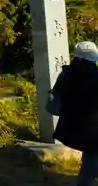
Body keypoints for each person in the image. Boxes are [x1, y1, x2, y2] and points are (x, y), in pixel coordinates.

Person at [53, 41, 98, 186]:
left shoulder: (67, 73)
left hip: (75, 126)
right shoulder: (93, 74)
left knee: (90, 160)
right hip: (93, 127)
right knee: (91, 164)